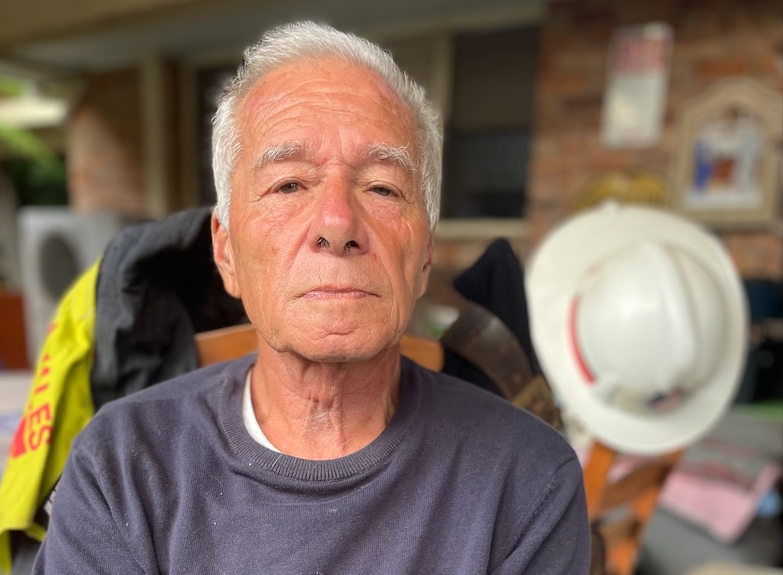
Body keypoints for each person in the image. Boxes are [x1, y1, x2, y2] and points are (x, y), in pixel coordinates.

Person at [34, 21, 590, 574]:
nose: (337, 223)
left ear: (423, 256)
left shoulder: (528, 481)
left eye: (381, 188)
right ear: (226, 253)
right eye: (289, 184)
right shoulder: (121, 466)